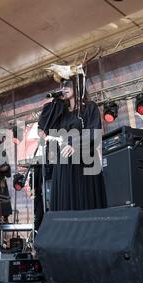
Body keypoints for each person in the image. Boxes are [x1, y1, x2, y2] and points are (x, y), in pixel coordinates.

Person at [37, 76, 107, 211]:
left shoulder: (89, 107)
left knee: (83, 202)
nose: (64, 88)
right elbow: (44, 127)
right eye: (62, 86)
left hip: (83, 163)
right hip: (64, 164)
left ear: (77, 86)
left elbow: (94, 134)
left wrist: (75, 145)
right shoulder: (61, 112)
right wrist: (56, 100)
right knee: (65, 204)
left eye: (68, 85)